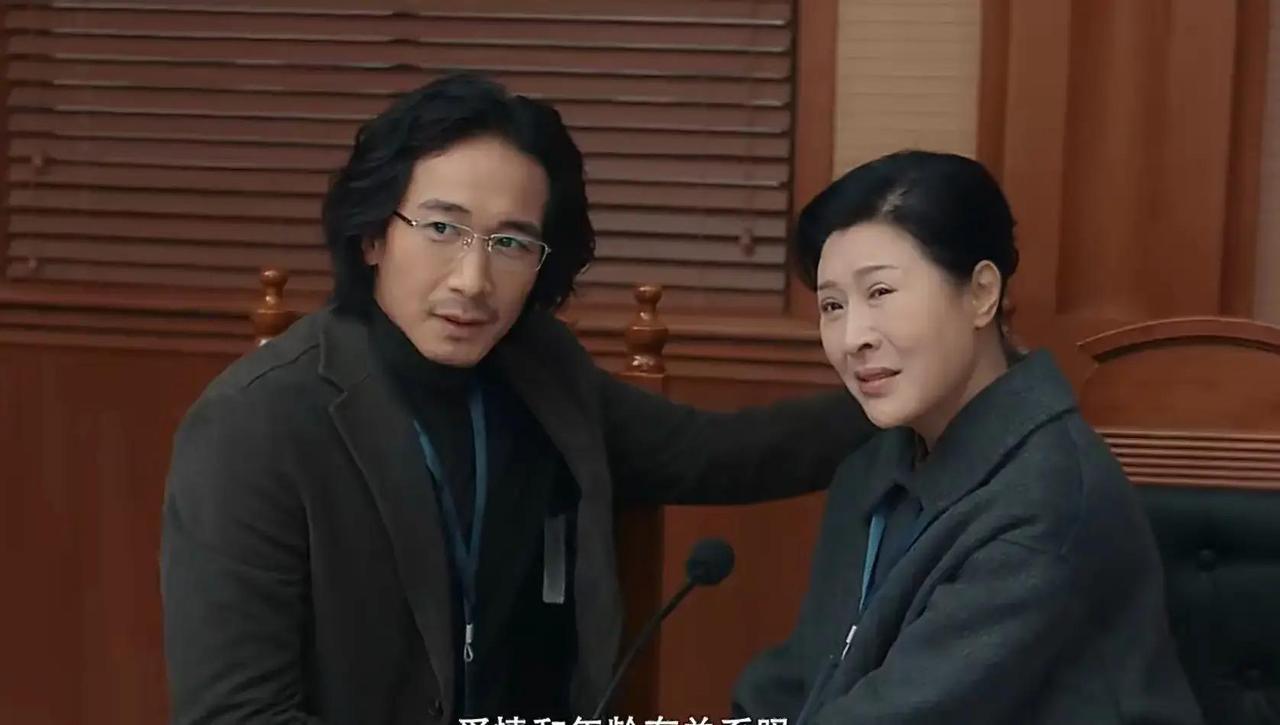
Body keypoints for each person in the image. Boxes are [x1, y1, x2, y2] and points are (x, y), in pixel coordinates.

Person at [159, 73, 874, 724]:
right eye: (442, 229)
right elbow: (236, 714)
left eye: (510, 242)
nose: (473, 280)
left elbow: (715, 454)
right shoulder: (255, 426)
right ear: (374, 234)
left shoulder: (539, 370)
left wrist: (899, 397)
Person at [731, 150, 1203, 724]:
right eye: (832, 305)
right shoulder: (875, 463)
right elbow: (797, 679)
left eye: (880, 293)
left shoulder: (1046, 500)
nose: (853, 337)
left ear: (981, 294)